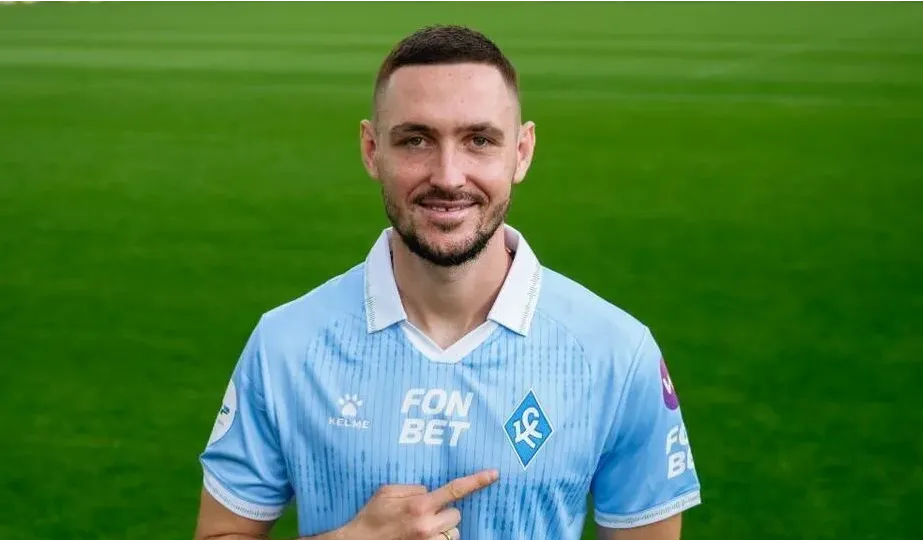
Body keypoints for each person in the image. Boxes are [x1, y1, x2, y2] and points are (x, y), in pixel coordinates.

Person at [193, 24, 701, 540]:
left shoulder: (615, 353)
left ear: (522, 152)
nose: (448, 176)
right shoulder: (286, 345)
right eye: (416, 140)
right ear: (371, 150)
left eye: (479, 140)